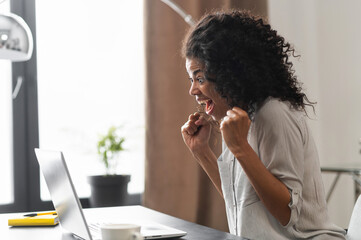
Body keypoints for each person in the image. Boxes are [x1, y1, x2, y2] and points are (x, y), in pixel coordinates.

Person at [180, 9, 346, 239]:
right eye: (192, 79)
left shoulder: (274, 113)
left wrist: (240, 148)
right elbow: (240, 199)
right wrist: (202, 152)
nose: (192, 90)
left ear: (228, 72)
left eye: (200, 78)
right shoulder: (236, 117)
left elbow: (287, 214)